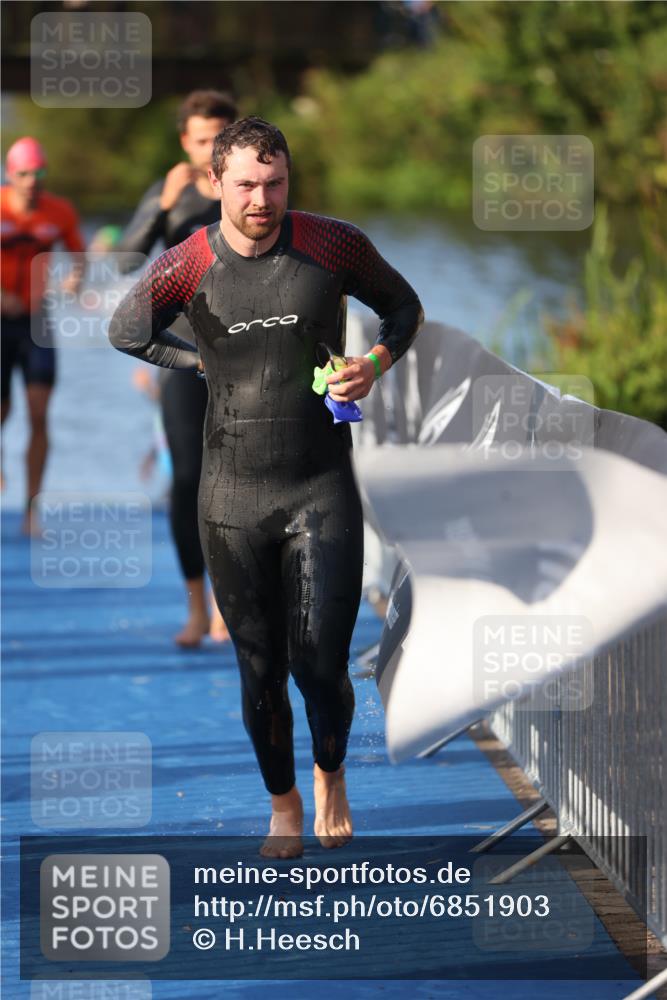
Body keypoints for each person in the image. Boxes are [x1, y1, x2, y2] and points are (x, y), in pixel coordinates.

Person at [109, 117, 423, 858]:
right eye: (246, 184)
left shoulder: (331, 245)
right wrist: (197, 366)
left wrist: (372, 364)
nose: (261, 199)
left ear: (289, 179)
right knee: (259, 670)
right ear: (216, 182)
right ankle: (283, 807)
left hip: (319, 485)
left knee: (320, 663)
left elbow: (403, 310)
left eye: (274, 182)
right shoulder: (188, 263)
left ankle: (330, 774)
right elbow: (127, 330)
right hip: (231, 498)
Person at [117, 89, 237, 647]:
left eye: (220, 138)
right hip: (183, 353)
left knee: (240, 482)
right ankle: (197, 606)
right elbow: (125, 260)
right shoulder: (171, 189)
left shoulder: (248, 188)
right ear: (184, 143)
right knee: (188, 480)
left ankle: (231, 605)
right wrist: (165, 205)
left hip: (246, 351)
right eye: (200, 141)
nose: (210, 149)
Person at [1, 137, 85, 534]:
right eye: (23, 173)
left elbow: (79, 258)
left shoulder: (59, 211)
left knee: (38, 414)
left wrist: (72, 280)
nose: (31, 181)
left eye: (38, 173)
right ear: (9, 174)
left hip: (37, 321)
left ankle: (31, 510)